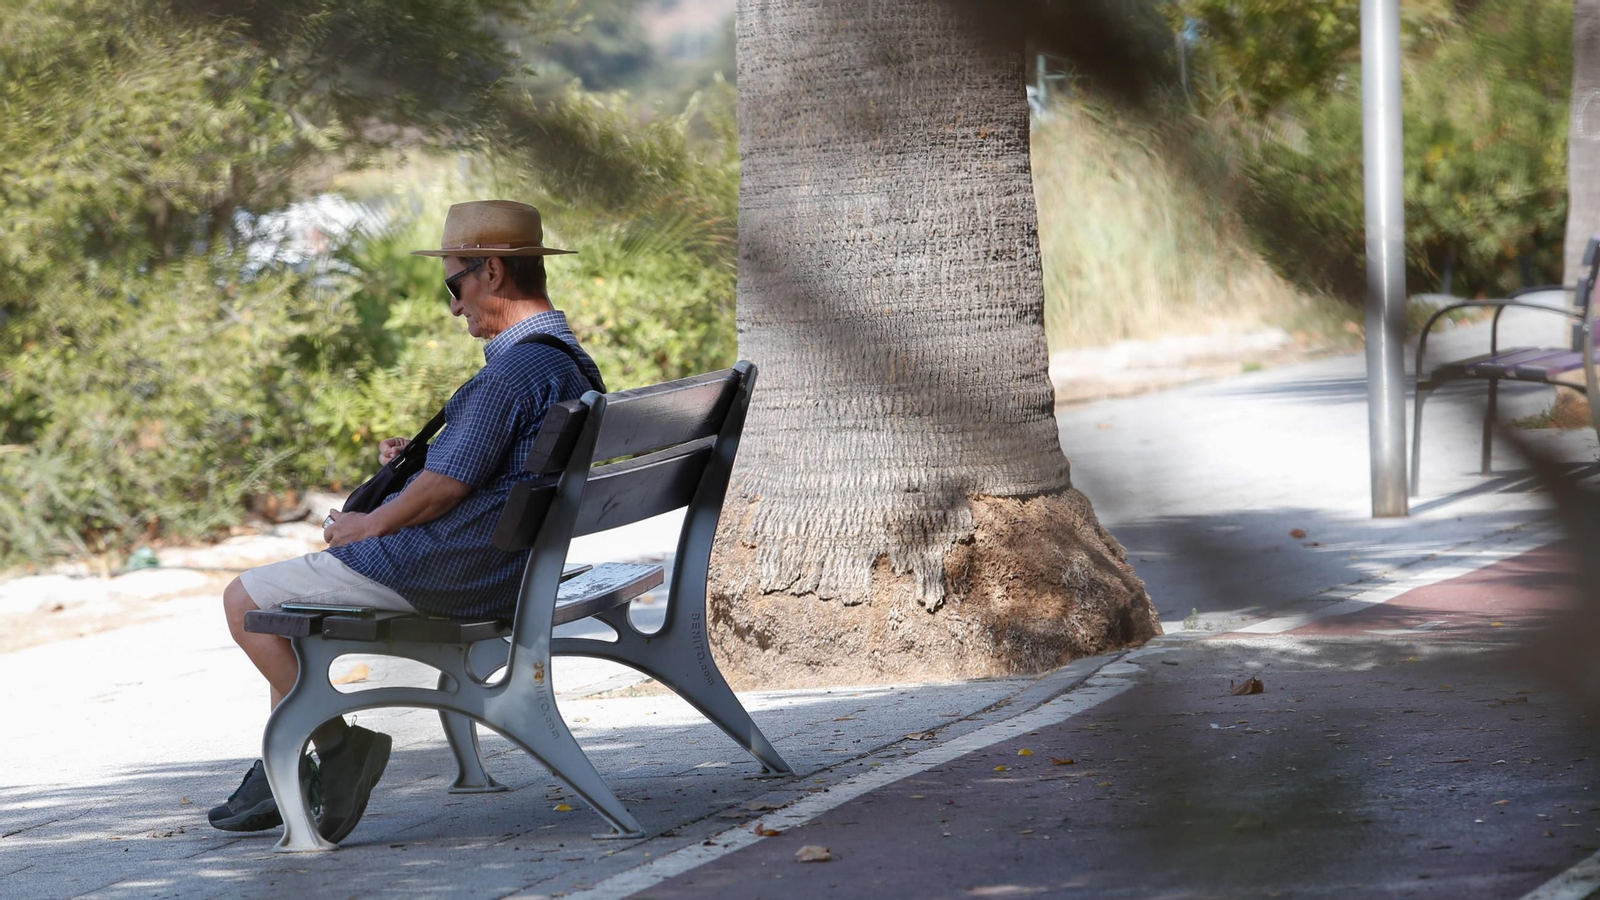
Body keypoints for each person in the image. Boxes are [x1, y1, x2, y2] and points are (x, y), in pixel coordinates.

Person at [207, 200, 605, 842]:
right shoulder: (568, 362)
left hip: (457, 572)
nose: (454, 307)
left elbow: (445, 488)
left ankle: (338, 751)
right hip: (511, 565)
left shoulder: (511, 372)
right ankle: (283, 762)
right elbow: (481, 467)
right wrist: (412, 468)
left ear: (492, 272)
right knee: (295, 598)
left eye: (454, 287)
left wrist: (368, 526)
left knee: (245, 600)